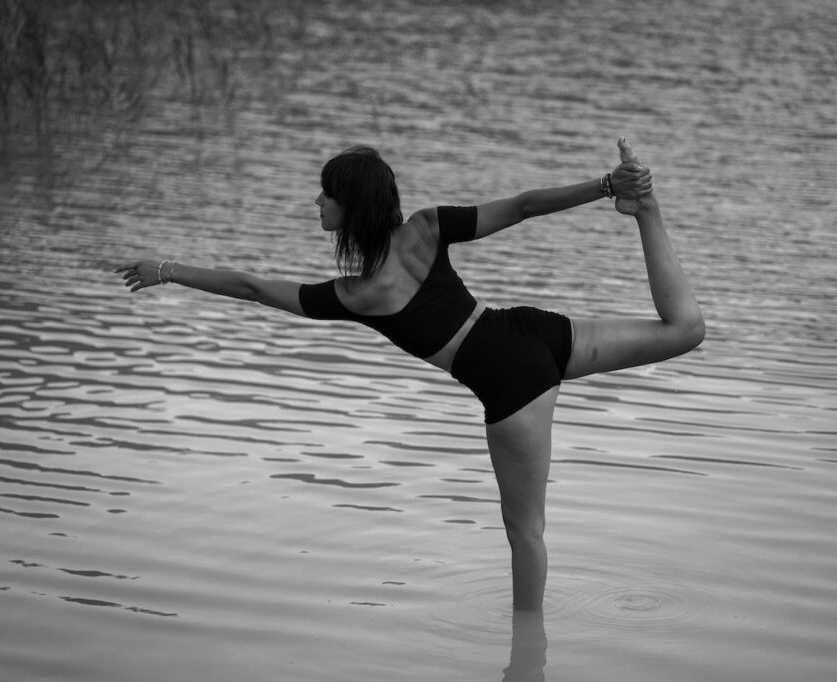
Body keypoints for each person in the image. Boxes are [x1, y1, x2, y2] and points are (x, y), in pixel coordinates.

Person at [115, 138, 704, 612]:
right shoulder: (426, 228)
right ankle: (643, 209)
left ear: (351, 206)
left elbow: (249, 288)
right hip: (532, 332)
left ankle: (529, 644)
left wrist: (167, 270)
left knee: (525, 532)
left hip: (511, 389)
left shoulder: (355, 295)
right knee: (684, 330)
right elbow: (523, 206)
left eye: (326, 196)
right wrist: (605, 187)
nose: (316, 204)